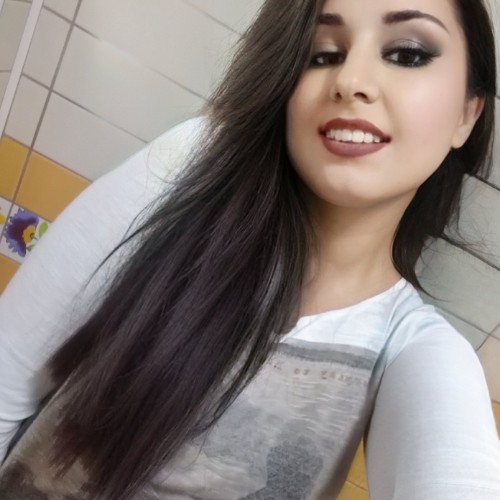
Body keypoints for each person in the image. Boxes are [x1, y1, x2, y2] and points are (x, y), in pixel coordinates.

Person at [0, 0, 499, 497]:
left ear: (467, 113)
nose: (350, 80)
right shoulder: (190, 170)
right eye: (322, 54)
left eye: (408, 54)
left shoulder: (416, 351)